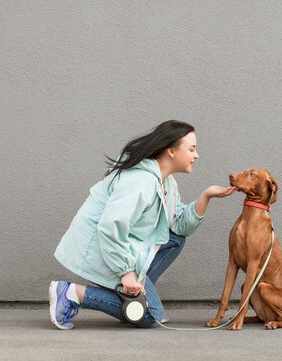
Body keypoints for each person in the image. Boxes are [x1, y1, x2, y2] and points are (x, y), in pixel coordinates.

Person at [50, 120, 235, 329]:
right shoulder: (141, 182)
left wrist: (206, 196)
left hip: (119, 245)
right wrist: (125, 272)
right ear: (171, 151)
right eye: (191, 149)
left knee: (174, 239)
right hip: (99, 246)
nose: (196, 155)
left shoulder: (165, 182)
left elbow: (179, 226)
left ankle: (138, 292)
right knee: (150, 316)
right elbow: (110, 227)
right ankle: (71, 293)